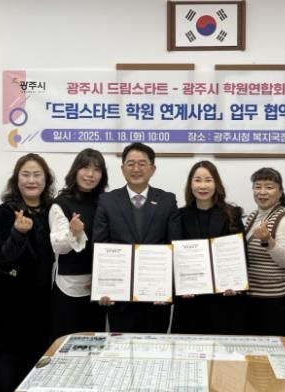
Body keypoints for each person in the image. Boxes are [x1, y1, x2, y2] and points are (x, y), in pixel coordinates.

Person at [92, 142, 181, 333]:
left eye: (142, 163)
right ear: (122, 168)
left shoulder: (167, 200)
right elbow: (100, 245)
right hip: (120, 299)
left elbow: (174, 246)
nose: (136, 169)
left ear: (152, 169)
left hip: (156, 298)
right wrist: (103, 288)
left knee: (156, 347)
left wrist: (168, 289)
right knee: (121, 347)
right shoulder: (107, 201)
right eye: (131, 164)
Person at [0, 153, 56, 392]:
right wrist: (18, 233)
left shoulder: (53, 210)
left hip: (43, 299)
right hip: (12, 300)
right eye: (25, 175)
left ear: (46, 180)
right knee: (9, 360)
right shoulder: (7, 211)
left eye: (37, 175)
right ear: (16, 180)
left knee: (38, 359)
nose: (31, 180)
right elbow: (4, 255)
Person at [172, 160, 246, 335]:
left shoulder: (232, 214)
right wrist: (179, 286)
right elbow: (174, 257)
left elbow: (241, 255)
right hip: (190, 302)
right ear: (190, 184)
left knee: (223, 349)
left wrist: (236, 283)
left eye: (208, 180)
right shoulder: (179, 216)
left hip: (223, 301)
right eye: (197, 180)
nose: (203, 186)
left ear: (216, 183)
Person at [50, 148, 108, 339]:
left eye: (97, 169)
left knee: (95, 344)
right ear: (75, 170)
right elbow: (58, 247)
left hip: (99, 287)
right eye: (85, 168)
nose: (90, 174)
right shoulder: (60, 203)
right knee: (66, 343)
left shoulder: (106, 202)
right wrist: (73, 232)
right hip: (69, 287)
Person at [243, 167, 285, 337]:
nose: (262, 192)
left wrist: (268, 240)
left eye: (269, 187)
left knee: (278, 351)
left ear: (280, 192)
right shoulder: (253, 216)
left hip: (277, 302)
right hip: (253, 299)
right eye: (257, 186)